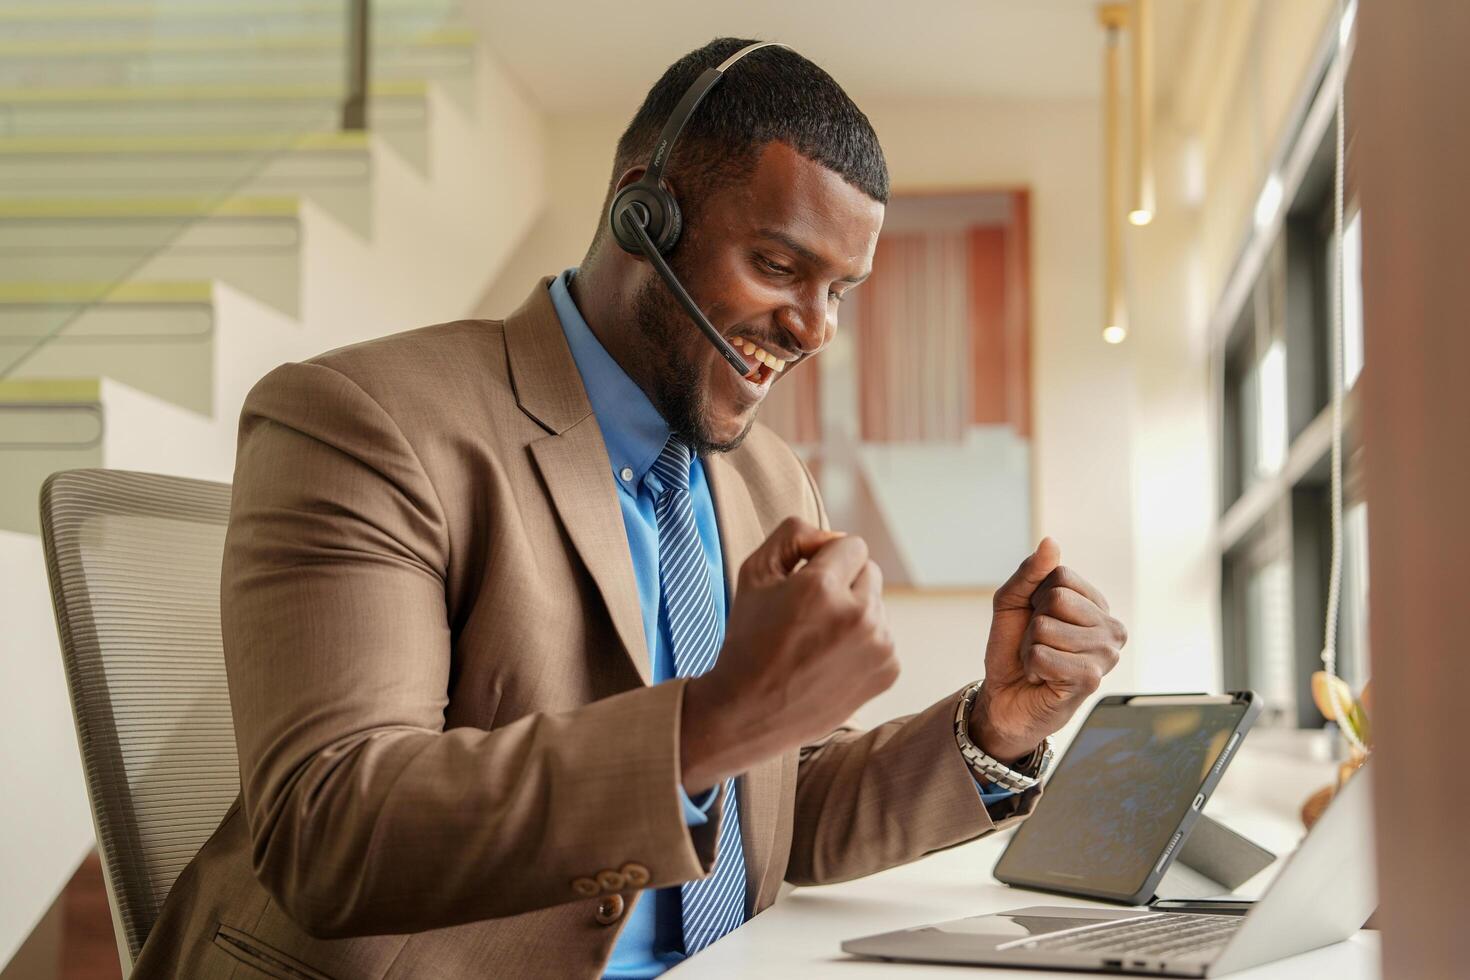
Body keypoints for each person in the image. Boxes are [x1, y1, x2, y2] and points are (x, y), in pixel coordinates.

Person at [133, 37, 1126, 980]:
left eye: (842, 290)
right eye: (779, 266)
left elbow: (775, 808)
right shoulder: (368, 420)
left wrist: (991, 727)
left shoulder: (769, 477)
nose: (816, 328)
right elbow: (330, 830)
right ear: (641, 214)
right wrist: (714, 719)